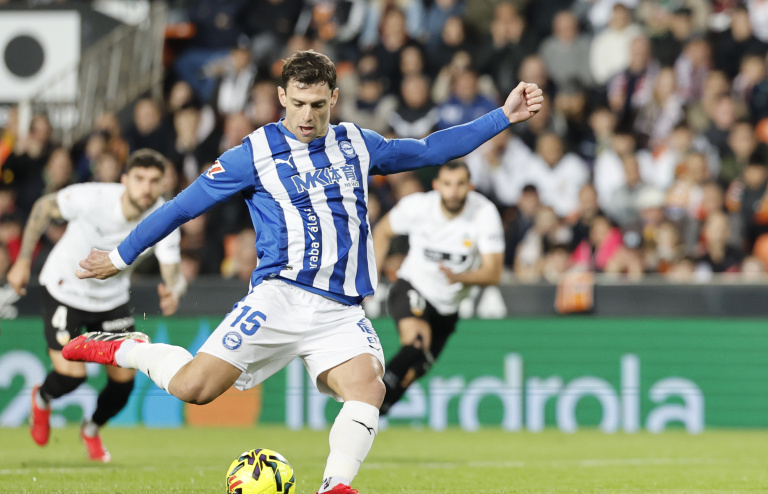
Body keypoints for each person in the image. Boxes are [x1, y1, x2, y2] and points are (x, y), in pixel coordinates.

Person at [61, 50, 542, 494]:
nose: (307, 117)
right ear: (280, 98)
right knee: (193, 388)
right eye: (297, 104)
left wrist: (504, 115)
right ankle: (129, 347)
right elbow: (181, 207)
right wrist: (121, 257)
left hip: (340, 310)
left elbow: (433, 150)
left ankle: (335, 485)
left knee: (368, 387)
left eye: (317, 104)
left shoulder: (356, 142)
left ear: (334, 97)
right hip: (278, 298)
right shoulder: (253, 153)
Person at [6, 149, 186, 462]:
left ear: (162, 185)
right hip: (65, 290)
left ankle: (91, 429)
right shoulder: (94, 196)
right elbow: (43, 207)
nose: (147, 188)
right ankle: (43, 397)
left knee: (124, 382)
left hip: (112, 301)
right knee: (73, 376)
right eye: (140, 179)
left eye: (154, 181)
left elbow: (174, 274)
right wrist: (23, 261)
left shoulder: (164, 218)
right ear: (125, 180)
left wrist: (175, 290)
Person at [371, 161, 504, 416]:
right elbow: (382, 231)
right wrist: (372, 278)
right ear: (436, 186)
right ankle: (367, 400)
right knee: (417, 343)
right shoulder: (419, 206)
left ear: (470, 186)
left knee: (416, 369)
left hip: (448, 306)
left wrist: (461, 276)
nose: (453, 191)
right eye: (447, 184)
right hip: (414, 285)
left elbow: (493, 273)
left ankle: (377, 410)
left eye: (460, 184)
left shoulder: (484, 213)